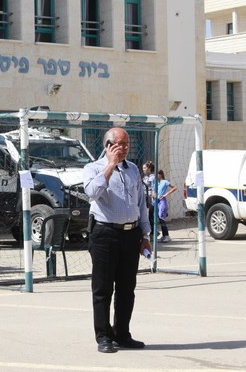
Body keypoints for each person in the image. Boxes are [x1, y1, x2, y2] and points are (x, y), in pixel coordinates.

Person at [83, 127, 151, 354]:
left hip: (130, 235)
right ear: (108, 145)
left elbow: (141, 203)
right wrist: (110, 166)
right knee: (103, 289)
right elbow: (91, 193)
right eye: (120, 144)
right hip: (105, 234)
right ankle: (103, 336)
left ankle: (122, 334)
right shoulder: (92, 168)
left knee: (126, 289)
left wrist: (145, 235)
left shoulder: (132, 169)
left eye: (127, 144)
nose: (125, 148)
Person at [153, 169, 177, 243]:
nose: (156, 176)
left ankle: (167, 235)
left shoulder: (165, 182)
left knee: (161, 217)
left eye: (157, 174)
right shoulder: (156, 183)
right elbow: (155, 191)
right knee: (158, 218)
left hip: (162, 201)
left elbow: (174, 187)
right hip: (156, 201)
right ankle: (163, 235)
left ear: (160, 174)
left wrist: (166, 194)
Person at [142, 161, 156, 232]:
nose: (143, 169)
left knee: (151, 215)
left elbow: (153, 189)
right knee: (148, 216)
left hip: (150, 198)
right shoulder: (145, 177)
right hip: (146, 198)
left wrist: (152, 200)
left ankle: (153, 231)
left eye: (145, 168)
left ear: (149, 168)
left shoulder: (152, 177)